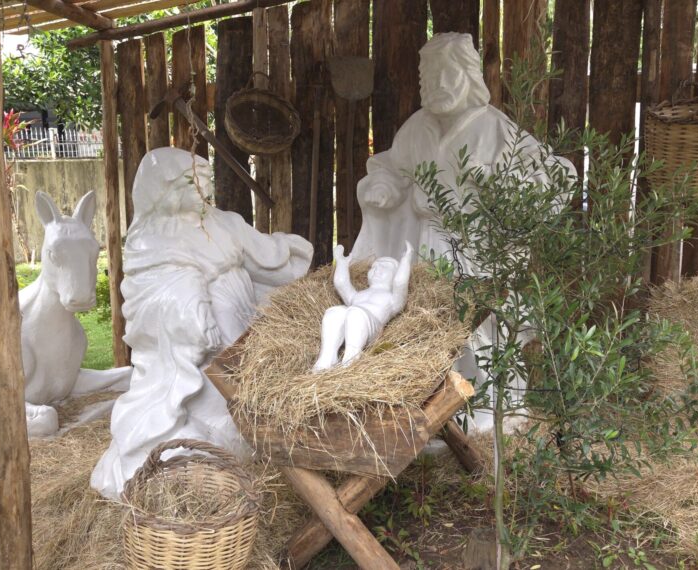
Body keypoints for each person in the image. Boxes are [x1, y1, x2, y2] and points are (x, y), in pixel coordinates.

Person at [91, 148, 312, 499]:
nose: (202, 189)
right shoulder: (151, 240)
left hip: (244, 318)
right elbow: (154, 291)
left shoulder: (223, 222)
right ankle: (208, 444)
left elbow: (263, 256)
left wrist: (286, 252)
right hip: (201, 336)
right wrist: (192, 309)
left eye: (205, 181)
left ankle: (250, 442)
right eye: (191, 182)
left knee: (252, 384)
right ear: (162, 190)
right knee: (218, 395)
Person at [349, 32, 575, 263]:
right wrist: (383, 186)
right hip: (423, 240)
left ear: (469, 75)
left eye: (449, 74)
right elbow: (394, 167)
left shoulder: (495, 127)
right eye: (431, 75)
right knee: (423, 285)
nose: (440, 83)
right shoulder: (417, 127)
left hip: (478, 249)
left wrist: (493, 179)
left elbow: (557, 175)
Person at [313, 242, 414, 371]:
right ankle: (327, 357)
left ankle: (351, 359)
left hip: (371, 329)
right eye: (374, 267)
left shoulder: (392, 298)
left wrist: (406, 260)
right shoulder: (359, 295)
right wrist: (341, 263)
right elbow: (341, 284)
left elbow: (400, 283)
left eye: (384, 268)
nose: (377, 270)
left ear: (395, 274)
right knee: (334, 312)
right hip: (353, 319)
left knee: (355, 313)